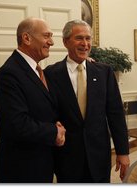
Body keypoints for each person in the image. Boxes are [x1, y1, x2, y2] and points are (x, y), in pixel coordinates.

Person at [44, 20, 130, 183]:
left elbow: (116, 114)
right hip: (66, 157)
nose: (85, 44)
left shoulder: (104, 72)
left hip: (99, 155)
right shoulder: (50, 74)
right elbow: (48, 113)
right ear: (65, 42)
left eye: (88, 38)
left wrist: (123, 152)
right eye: (79, 38)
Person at [0, 17, 66, 183]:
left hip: (42, 164)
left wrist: (87, 64)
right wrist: (54, 132)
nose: (52, 42)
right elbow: (16, 124)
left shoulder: (39, 71)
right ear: (26, 38)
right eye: (47, 36)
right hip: (21, 169)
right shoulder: (10, 73)